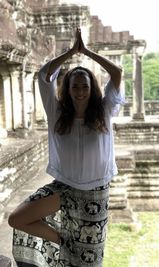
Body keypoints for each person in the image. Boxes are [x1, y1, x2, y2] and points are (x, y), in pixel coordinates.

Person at [8, 28, 125, 267]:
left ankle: (70, 245)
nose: (80, 92)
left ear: (92, 88)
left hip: (95, 194)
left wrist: (87, 52)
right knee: (17, 218)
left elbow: (117, 73)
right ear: (68, 89)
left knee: (88, 262)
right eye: (75, 87)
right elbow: (44, 75)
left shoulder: (104, 112)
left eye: (84, 86)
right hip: (66, 189)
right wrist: (71, 52)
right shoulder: (57, 113)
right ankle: (63, 239)